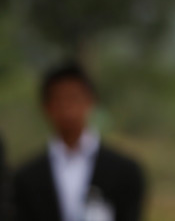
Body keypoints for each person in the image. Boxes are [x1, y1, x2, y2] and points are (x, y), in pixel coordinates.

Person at [13, 61, 145, 221]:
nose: (67, 108)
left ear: (91, 101)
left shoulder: (125, 172)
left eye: (74, 98)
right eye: (59, 100)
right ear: (46, 107)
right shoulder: (26, 177)